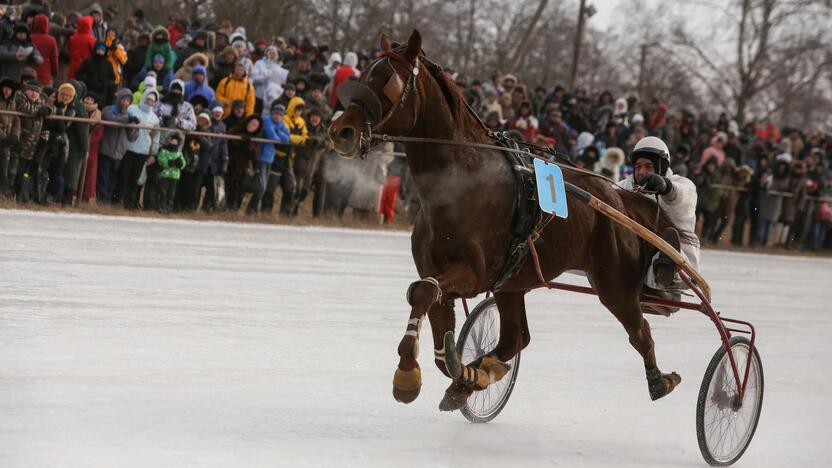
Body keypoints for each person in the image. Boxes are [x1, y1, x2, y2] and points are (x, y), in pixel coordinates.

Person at [617, 136, 700, 295]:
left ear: (661, 167)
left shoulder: (681, 184)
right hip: (633, 259)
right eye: (638, 166)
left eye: (648, 166)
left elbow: (686, 196)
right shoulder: (625, 187)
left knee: (666, 242)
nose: (641, 172)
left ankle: (668, 276)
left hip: (677, 258)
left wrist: (666, 187)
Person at [248, 101, 290, 214]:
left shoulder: (280, 123)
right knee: (261, 186)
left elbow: (287, 137)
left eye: (280, 115)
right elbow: (274, 137)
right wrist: (278, 133)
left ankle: (252, 209)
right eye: (276, 114)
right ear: (272, 113)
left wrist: (278, 132)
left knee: (264, 186)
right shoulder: (267, 121)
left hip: (270, 158)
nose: (278, 116)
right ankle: (251, 209)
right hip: (261, 157)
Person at [121, 88, 160, 209]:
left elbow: (156, 137)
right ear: (144, 98)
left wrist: (153, 153)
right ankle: (118, 200)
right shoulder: (132, 109)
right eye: (148, 99)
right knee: (124, 175)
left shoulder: (155, 118)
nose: (150, 102)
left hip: (143, 150)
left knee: (135, 178)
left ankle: (131, 202)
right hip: (128, 147)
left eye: (152, 101)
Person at [97, 88, 137, 203]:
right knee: (103, 176)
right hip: (106, 150)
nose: (125, 103)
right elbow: (113, 121)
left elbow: (132, 137)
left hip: (119, 153)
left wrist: (133, 125)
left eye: (128, 101)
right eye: (124, 100)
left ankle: (108, 199)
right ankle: (102, 200)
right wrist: (127, 118)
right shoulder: (109, 109)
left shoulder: (129, 115)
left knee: (113, 178)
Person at [155, 132, 186, 212]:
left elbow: (183, 163)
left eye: (175, 141)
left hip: (174, 175)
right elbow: (160, 160)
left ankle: (169, 206)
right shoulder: (164, 151)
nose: (174, 142)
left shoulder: (179, 153)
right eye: (172, 140)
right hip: (165, 175)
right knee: (163, 191)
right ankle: (161, 206)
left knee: (171, 192)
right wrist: (168, 163)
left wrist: (181, 164)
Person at [0, 77, 20, 196]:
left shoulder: (12, 103)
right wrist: (4, 137)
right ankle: (4, 187)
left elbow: (16, 119)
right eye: (5, 88)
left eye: (10, 89)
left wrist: (15, 135)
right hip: (3, 139)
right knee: (5, 156)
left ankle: (8, 186)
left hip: (8, 139)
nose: (7, 91)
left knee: (12, 158)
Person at [29, 14, 57, 86]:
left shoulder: (29, 37)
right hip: (45, 75)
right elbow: (54, 58)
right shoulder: (51, 40)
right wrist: (55, 73)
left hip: (30, 72)